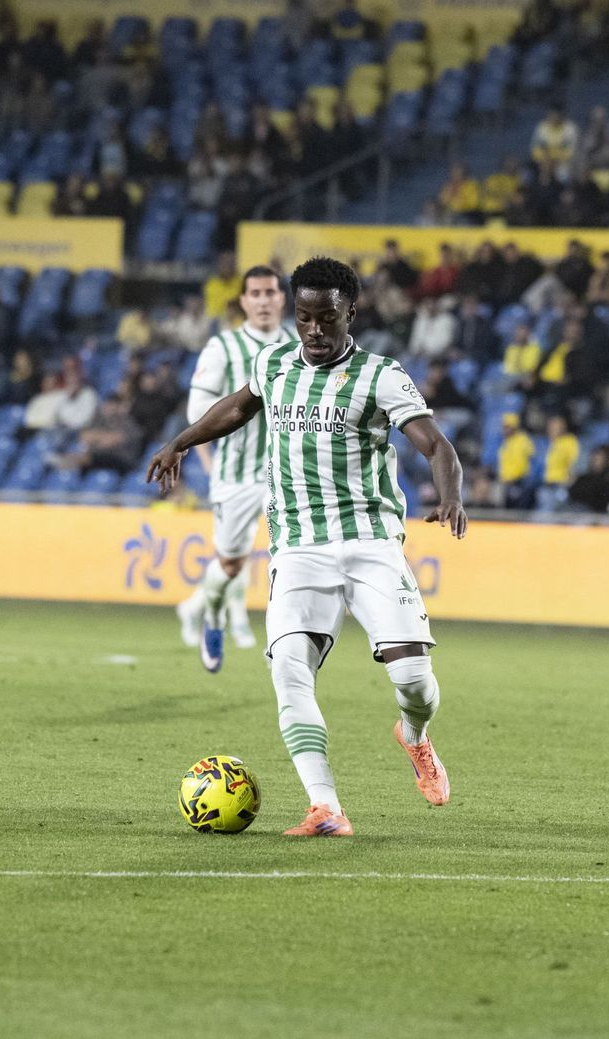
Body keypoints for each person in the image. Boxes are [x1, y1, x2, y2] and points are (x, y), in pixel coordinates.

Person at [147, 257, 468, 837]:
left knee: (414, 680)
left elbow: (436, 445)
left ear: (351, 313)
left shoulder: (381, 375)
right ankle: (326, 807)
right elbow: (237, 407)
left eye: (327, 318)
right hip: (298, 547)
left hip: (371, 542)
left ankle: (414, 735)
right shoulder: (273, 364)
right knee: (289, 670)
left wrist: (451, 496)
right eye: (304, 318)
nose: (314, 330)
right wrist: (181, 442)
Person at [174, 265, 296, 667]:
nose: (263, 300)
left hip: (288, 474)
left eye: (270, 292)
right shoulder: (222, 347)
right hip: (236, 473)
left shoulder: (300, 345)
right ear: (243, 301)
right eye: (255, 294)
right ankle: (212, 615)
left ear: (281, 298)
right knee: (229, 564)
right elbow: (197, 410)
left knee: (294, 562)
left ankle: (285, 643)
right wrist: (243, 404)